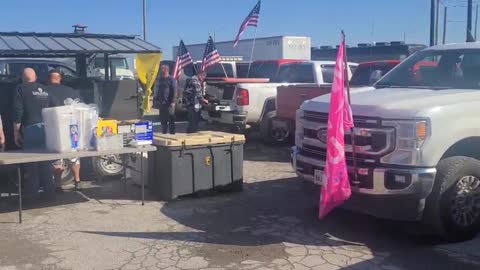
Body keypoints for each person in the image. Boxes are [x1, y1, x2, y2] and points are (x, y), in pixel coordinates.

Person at [13, 68, 57, 203]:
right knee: (46, 164)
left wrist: (16, 133)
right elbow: (56, 107)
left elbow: (17, 111)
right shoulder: (46, 89)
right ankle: (50, 195)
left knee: (32, 166)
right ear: (36, 77)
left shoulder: (20, 89)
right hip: (46, 130)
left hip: (31, 130)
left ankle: (32, 197)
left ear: (22, 78)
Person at [47, 69, 82, 190]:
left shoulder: (45, 91)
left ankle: (58, 185)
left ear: (49, 78)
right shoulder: (71, 91)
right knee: (74, 156)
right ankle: (77, 181)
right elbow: (79, 108)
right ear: (60, 78)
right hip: (72, 127)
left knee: (57, 158)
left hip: (55, 128)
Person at [154, 64, 177, 134]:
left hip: (169, 102)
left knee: (171, 118)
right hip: (161, 102)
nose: (161, 71)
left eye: (162, 69)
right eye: (161, 69)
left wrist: (173, 101)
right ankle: (164, 132)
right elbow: (157, 90)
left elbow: (174, 90)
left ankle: (172, 132)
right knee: (163, 119)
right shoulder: (160, 79)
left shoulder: (171, 79)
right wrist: (155, 100)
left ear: (166, 70)